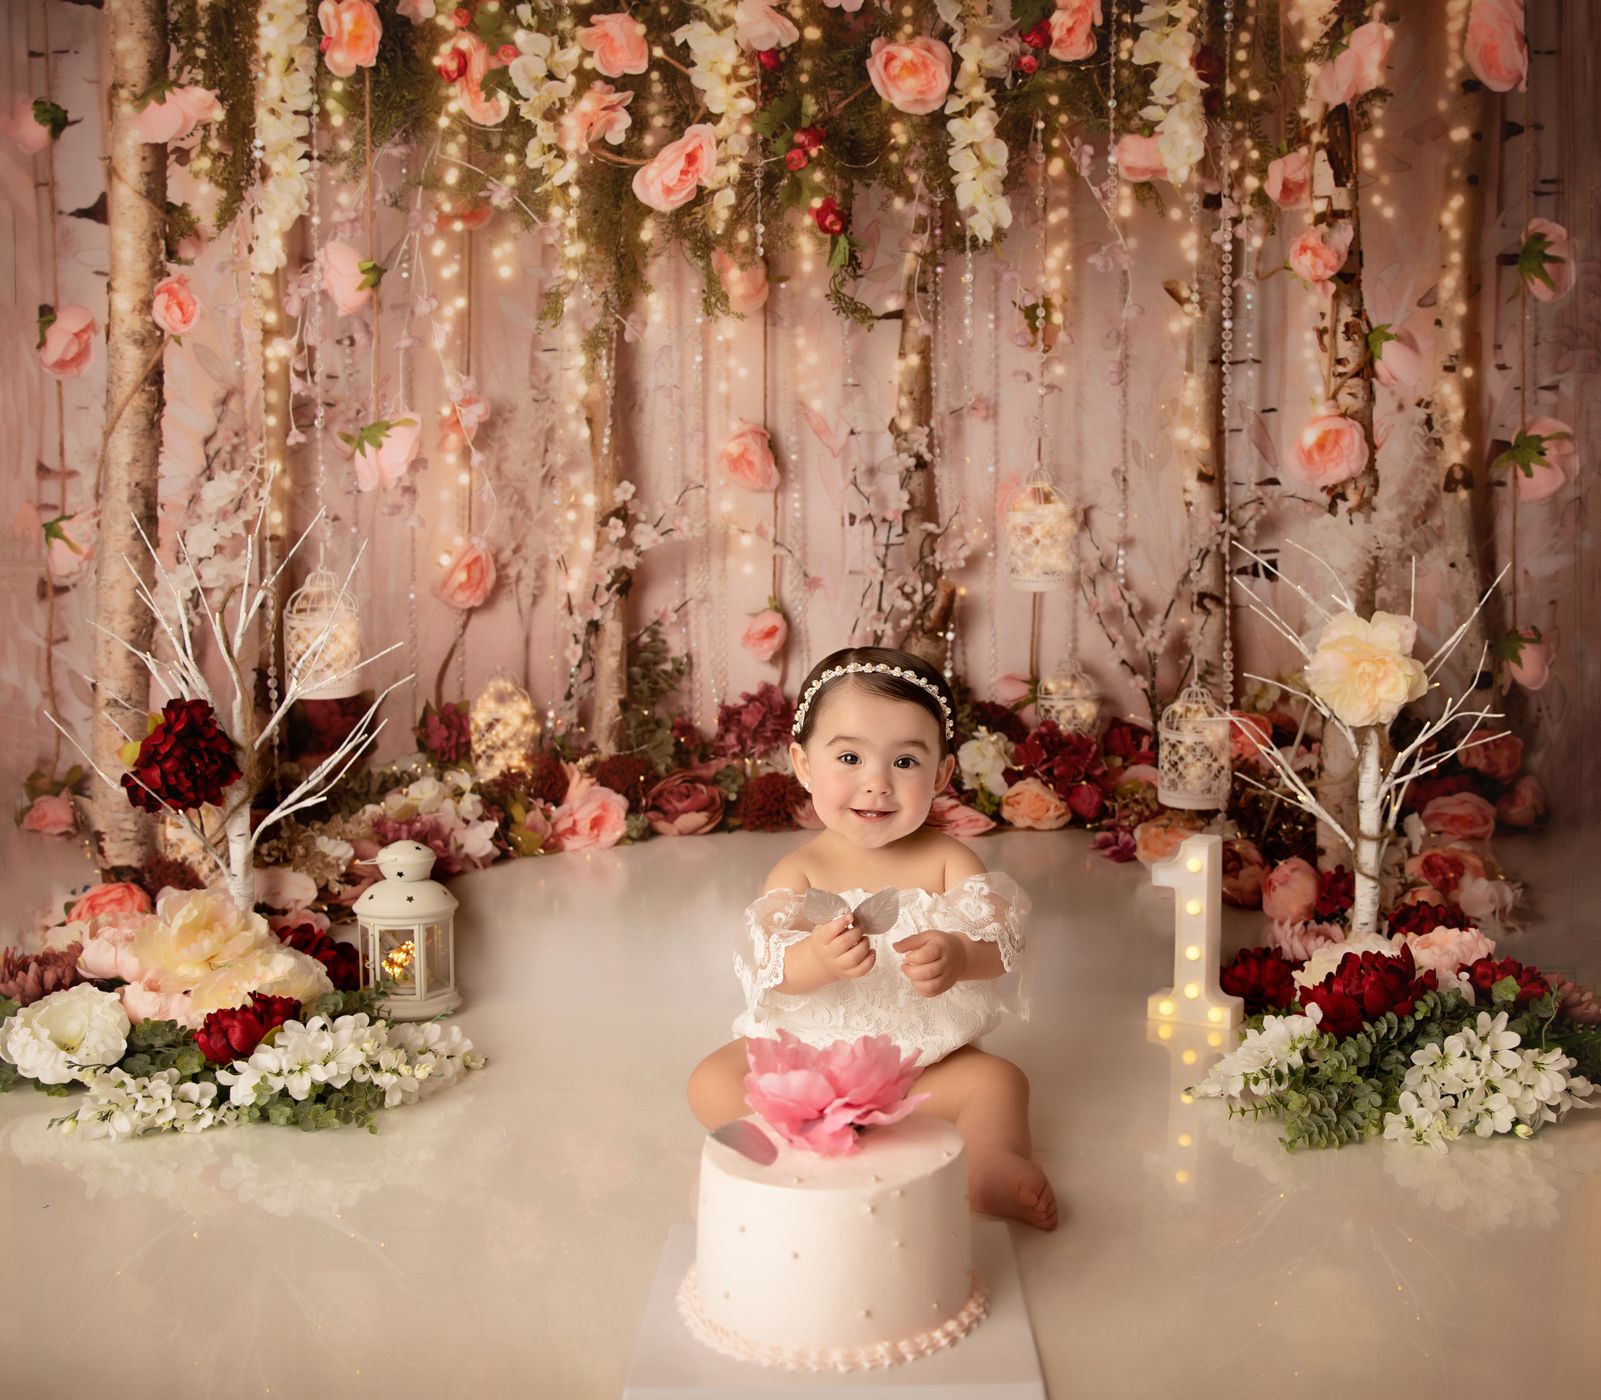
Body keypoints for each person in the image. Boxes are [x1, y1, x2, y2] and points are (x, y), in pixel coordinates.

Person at [687, 645, 1057, 1230]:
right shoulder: (799, 873)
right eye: (850, 757)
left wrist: (960, 954)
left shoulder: (948, 861)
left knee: (1000, 1083)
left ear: (941, 773)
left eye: (905, 763)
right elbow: (767, 968)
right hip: (810, 1065)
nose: (877, 784)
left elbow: (1001, 947)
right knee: (711, 1080)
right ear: (804, 764)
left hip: (921, 1065)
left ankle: (989, 1165)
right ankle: (802, 1143)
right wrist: (814, 957)